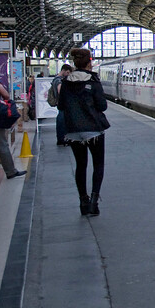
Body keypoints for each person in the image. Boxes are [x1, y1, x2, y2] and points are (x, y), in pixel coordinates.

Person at [58, 49, 109, 216]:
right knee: (98, 165)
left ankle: (83, 201)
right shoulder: (93, 80)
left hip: (73, 131)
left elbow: (60, 106)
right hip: (93, 130)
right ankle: (94, 202)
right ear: (89, 62)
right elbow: (102, 106)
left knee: (81, 166)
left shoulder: (65, 82)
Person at [51, 64, 73, 146]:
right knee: (62, 121)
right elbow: (60, 91)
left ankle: (61, 138)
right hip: (62, 103)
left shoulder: (56, 79)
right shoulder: (59, 80)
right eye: (67, 72)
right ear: (63, 70)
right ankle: (61, 139)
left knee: (61, 120)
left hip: (60, 103)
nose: (68, 74)